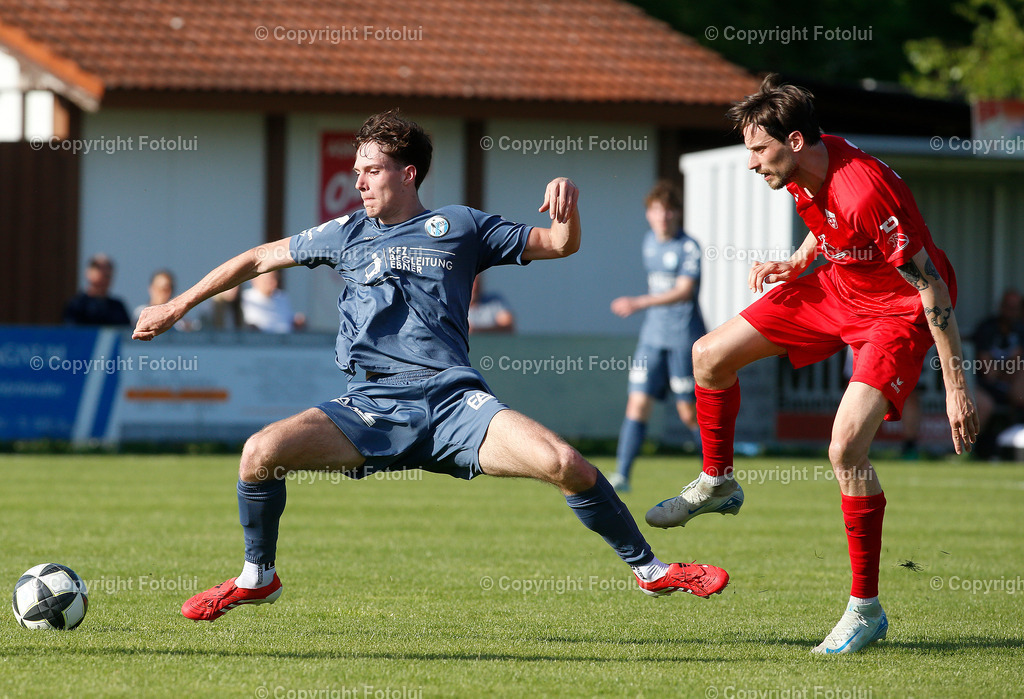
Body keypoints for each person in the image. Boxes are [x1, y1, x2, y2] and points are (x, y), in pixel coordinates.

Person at [133, 110, 728, 622]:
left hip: (452, 407)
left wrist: (567, 201)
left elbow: (560, 244)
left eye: (369, 168)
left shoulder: (461, 227)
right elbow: (260, 258)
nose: (357, 179)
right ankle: (256, 576)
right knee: (259, 453)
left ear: (406, 172)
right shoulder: (345, 233)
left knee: (566, 463)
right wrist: (177, 304)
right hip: (370, 407)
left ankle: (651, 570)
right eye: (357, 168)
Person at [646, 75, 978, 654]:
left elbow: (929, 288)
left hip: (897, 310)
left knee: (845, 448)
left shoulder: (864, 190)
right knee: (708, 357)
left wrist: (957, 387)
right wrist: (795, 262)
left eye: (758, 149)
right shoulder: (803, 170)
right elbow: (827, 229)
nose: (751, 163)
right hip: (836, 289)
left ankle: (865, 610)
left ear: (795, 140)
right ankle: (719, 480)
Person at [608, 181, 705, 493]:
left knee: (688, 412)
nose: (662, 216)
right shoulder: (649, 242)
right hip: (652, 338)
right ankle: (621, 476)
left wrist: (639, 302)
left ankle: (718, 474)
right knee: (636, 404)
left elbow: (684, 291)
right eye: (655, 210)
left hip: (682, 339)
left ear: (677, 213)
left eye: (668, 210)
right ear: (648, 214)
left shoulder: (688, 247)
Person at [971, 288, 1024, 458]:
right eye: (1008, 306)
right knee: (984, 405)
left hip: (1013, 389)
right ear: (1001, 307)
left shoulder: (1021, 330)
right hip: (983, 386)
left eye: (1015, 307)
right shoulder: (987, 328)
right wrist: (1012, 365)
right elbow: (988, 372)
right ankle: (971, 452)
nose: (1011, 312)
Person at [63, 254, 131, 326]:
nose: (104, 280)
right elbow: (71, 332)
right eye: (102, 275)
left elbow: (125, 332)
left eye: (108, 276)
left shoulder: (117, 307)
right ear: (89, 274)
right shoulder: (77, 305)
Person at [241, 269, 306, 333]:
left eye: (275, 278)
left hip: (284, 341)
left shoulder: (282, 297)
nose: (274, 283)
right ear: (255, 280)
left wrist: (297, 322)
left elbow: (290, 321)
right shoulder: (245, 298)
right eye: (268, 279)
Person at [133, 269, 198, 331]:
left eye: (166, 289)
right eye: (158, 288)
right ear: (151, 288)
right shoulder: (140, 313)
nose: (162, 293)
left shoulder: (180, 319)